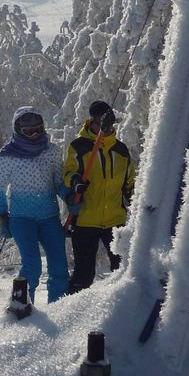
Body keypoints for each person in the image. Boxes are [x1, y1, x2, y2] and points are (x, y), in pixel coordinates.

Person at [0, 106, 69, 304]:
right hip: (21, 219)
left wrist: (69, 196)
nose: (34, 135)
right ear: (18, 130)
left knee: (60, 267)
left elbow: (58, 182)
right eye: (28, 131)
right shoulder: (8, 155)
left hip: (49, 217)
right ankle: (22, 310)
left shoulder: (51, 151)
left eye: (38, 130)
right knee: (32, 266)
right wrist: (3, 216)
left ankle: (58, 311)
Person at [63, 100, 135, 294]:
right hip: (86, 219)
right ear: (90, 122)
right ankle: (70, 314)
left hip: (115, 220)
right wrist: (76, 181)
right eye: (99, 123)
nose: (104, 128)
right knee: (84, 274)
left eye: (109, 124)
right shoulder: (79, 146)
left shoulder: (120, 150)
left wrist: (137, 198)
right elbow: (68, 173)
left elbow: (130, 182)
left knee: (122, 269)